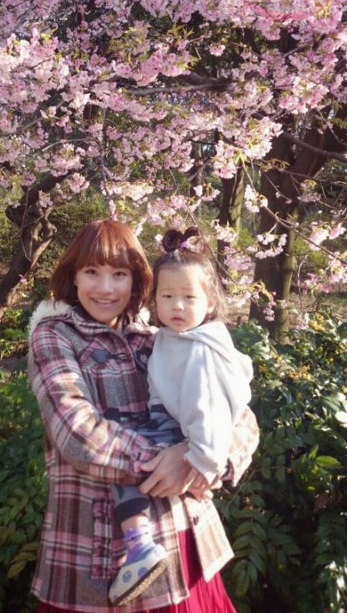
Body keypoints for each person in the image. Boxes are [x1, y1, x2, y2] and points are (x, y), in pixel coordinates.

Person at [28, 218, 259, 613]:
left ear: (137, 281)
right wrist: (170, 458)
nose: (105, 288)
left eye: (119, 274)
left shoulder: (160, 338)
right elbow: (77, 433)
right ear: (73, 277)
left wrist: (202, 460)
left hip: (182, 536)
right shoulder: (54, 336)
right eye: (91, 272)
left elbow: (240, 415)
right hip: (98, 551)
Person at [108, 227, 253, 606]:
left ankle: (139, 544)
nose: (176, 306)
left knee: (129, 466)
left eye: (188, 298)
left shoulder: (200, 351)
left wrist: (204, 465)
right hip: (171, 426)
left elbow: (211, 413)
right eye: (167, 296)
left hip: (184, 434)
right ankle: (140, 544)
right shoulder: (169, 338)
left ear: (210, 303)